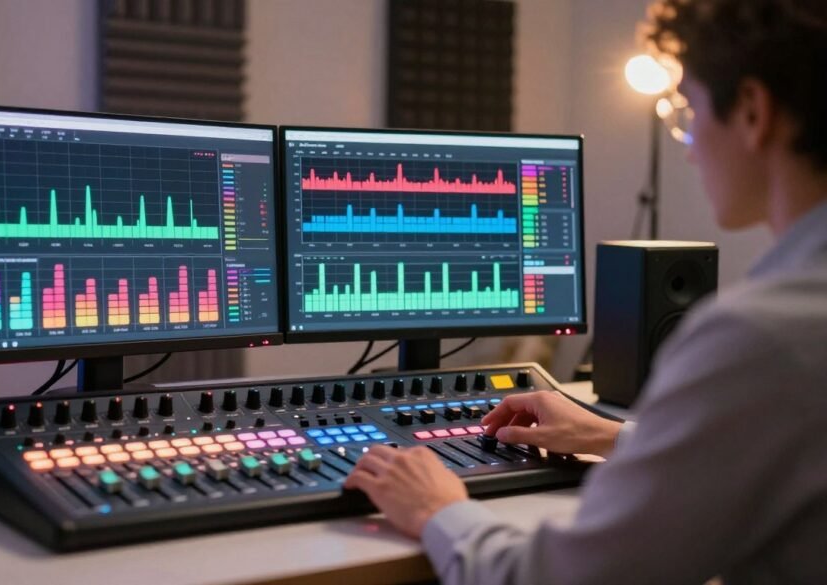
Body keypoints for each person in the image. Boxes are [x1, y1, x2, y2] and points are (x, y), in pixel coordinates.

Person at [344, 0, 827, 583]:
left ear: (752, 111)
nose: (691, 143)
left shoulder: (760, 337)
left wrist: (438, 511)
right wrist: (612, 435)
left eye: (689, 109)